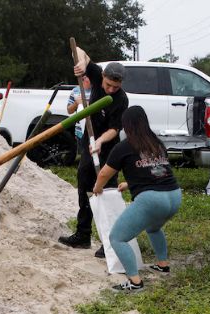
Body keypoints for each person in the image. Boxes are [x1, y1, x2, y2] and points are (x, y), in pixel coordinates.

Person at [92, 106, 181, 292]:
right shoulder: (156, 142)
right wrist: (129, 184)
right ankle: (163, 264)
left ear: (126, 126)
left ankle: (134, 282)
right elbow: (154, 170)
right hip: (174, 195)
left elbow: (103, 174)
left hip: (152, 199)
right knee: (153, 227)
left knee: (117, 238)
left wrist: (97, 189)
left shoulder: (124, 147)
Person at [58, 47, 129, 259]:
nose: (110, 90)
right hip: (88, 141)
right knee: (84, 185)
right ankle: (83, 234)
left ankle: (109, 241)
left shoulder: (121, 99)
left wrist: (99, 141)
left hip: (108, 147)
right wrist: (81, 62)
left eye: (116, 87)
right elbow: (80, 51)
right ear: (103, 77)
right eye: (108, 85)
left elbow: (115, 129)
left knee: (106, 191)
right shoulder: (97, 74)